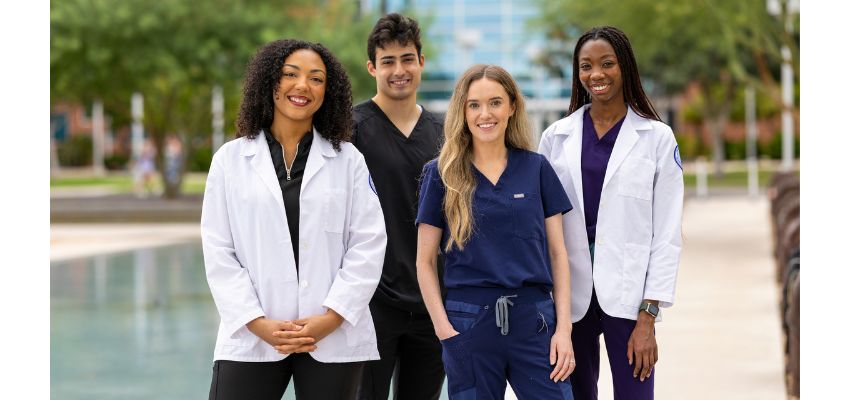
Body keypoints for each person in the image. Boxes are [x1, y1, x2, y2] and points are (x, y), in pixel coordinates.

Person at [201, 39, 387, 400]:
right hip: (253, 332)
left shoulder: (347, 160)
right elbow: (218, 250)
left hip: (331, 336)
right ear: (270, 83)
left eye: (316, 79)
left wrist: (330, 319)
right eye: (290, 75)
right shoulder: (230, 160)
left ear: (326, 92)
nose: (303, 86)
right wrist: (258, 324)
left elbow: (368, 243)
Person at [537, 26, 684, 400]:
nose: (596, 74)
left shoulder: (656, 138)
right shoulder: (556, 137)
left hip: (629, 295)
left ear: (625, 68)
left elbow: (667, 235)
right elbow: (541, 225)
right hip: (571, 294)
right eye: (586, 66)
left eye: (607, 64)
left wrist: (649, 315)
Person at [416, 64, 576, 400]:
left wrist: (564, 329)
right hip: (468, 323)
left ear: (512, 106)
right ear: (462, 110)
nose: (484, 114)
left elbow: (559, 253)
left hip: (534, 323)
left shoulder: (537, 168)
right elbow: (425, 262)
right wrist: (445, 331)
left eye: (495, 102)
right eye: (474, 104)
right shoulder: (440, 174)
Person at [352, 13, 445, 400]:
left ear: (421, 63)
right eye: (387, 61)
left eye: (407, 59)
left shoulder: (446, 134)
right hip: (372, 304)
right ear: (372, 67)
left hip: (434, 303)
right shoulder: (350, 130)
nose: (399, 70)